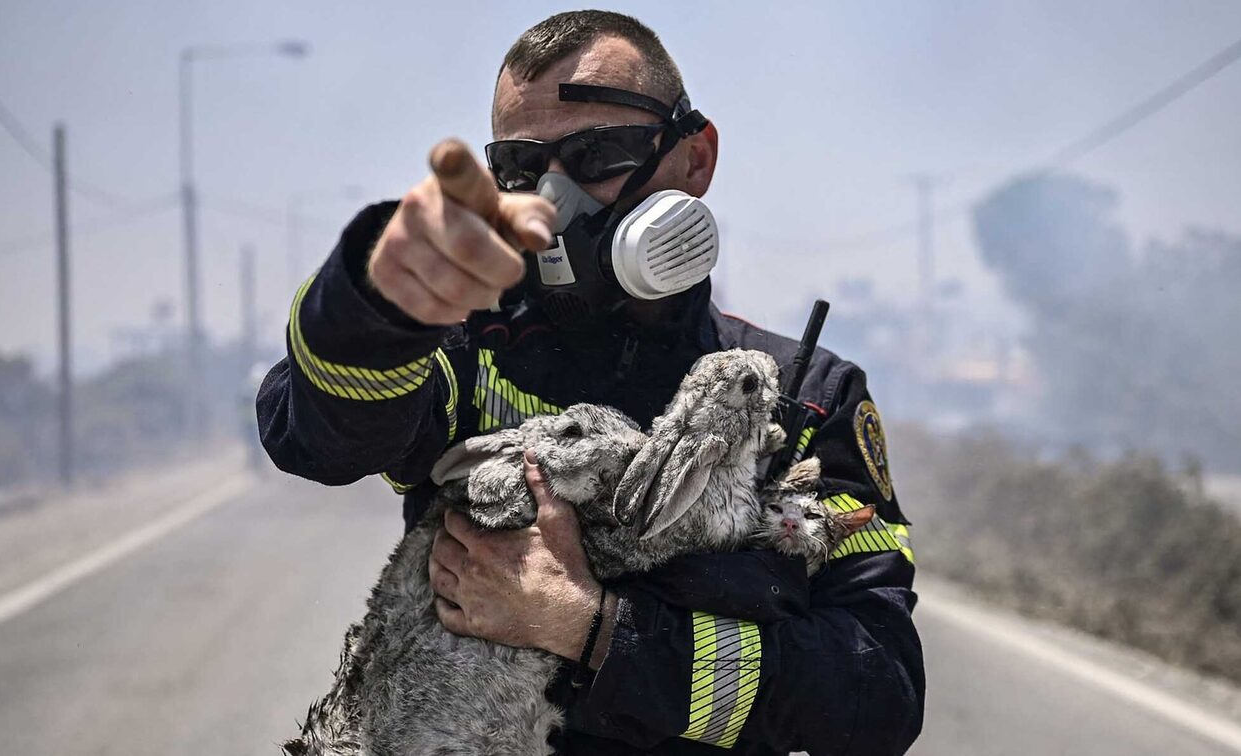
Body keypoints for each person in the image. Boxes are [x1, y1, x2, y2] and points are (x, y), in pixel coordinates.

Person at [256, 10, 924, 755]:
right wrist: (376, 306)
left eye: (598, 154)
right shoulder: (470, 348)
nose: (553, 199)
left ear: (695, 159)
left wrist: (591, 626)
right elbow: (315, 439)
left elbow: (877, 700)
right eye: (521, 169)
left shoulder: (795, 399)